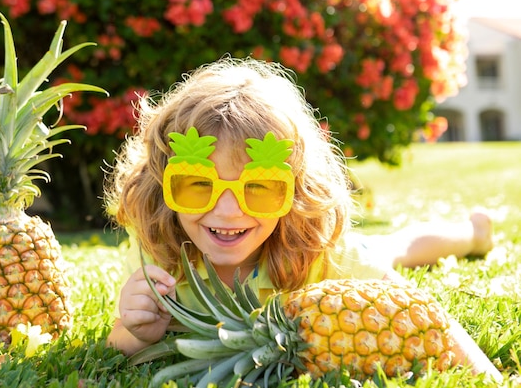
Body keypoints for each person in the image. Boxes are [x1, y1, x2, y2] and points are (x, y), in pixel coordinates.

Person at [103, 57, 500, 381]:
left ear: (296, 191)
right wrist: (137, 333)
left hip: (326, 256)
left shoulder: (323, 251)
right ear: (162, 186)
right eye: (197, 186)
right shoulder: (160, 250)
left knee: (398, 248)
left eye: (258, 187)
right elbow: (118, 341)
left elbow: (418, 310)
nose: (227, 211)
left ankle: (472, 234)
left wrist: (488, 376)